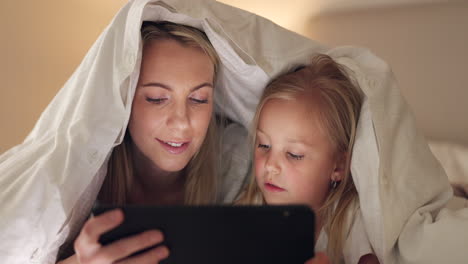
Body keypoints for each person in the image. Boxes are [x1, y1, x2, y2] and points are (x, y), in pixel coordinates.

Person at [56, 21, 242, 264]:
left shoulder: (238, 162)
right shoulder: (77, 183)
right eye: (156, 98)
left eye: (198, 99)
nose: (181, 123)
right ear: (125, 101)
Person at [237, 54, 380, 264]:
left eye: (294, 155)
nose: (270, 165)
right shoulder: (245, 213)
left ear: (338, 165)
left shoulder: (350, 219)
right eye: (264, 145)